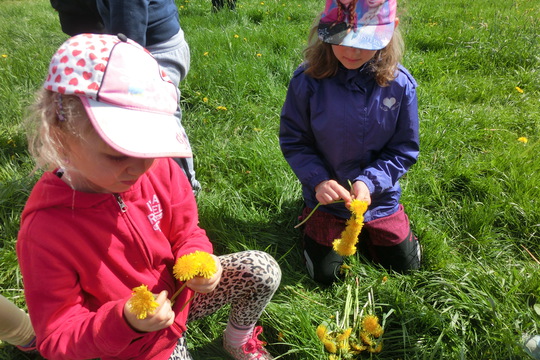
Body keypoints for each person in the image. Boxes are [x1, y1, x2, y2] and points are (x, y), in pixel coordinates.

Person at [17, 33, 280, 360]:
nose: (141, 167)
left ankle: (237, 340)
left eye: (150, 148)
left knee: (262, 269)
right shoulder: (46, 232)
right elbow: (56, 337)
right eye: (117, 154)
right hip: (135, 342)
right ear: (61, 135)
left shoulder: (160, 169)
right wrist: (127, 321)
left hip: (183, 297)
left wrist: (196, 257)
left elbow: (187, 230)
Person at [279, 0, 421, 285]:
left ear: (390, 30)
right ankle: (313, 226)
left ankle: (389, 231)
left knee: (405, 267)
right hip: (328, 199)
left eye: (366, 41)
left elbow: (403, 148)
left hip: (380, 198)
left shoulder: (399, 85)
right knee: (326, 275)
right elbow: (295, 140)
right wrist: (318, 180)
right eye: (341, 38)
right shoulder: (307, 81)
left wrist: (370, 182)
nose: (352, 51)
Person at [94, 0, 201, 193]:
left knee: (161, 116)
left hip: (154, 50)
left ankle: (185, 186)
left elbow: (129, 23)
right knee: (136, 115)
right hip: (136, 44)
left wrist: (126, 67)